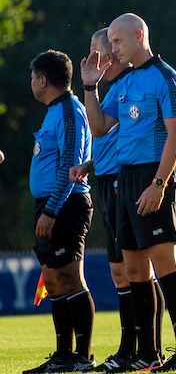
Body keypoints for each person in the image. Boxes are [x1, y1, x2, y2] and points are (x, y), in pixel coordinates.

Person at [81, 14, 176, 372]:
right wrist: (90, 87)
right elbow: (99, 128)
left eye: (116, 41)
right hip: (126, 179)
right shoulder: (124, 81)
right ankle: (149, 353)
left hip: (154, 176)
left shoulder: (165, 76)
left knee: (164, 264)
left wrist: (159, 184)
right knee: (134, 269)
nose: (111, 49)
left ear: (139, 35)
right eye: (110, 42)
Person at [69, 28, 160, 373]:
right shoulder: (108, 92)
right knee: (121, 272)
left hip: (125, 183)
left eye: (97, 50)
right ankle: (131, 348)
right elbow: (104, 136)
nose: (92, 57)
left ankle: (146, 348)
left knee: (139, 270)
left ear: (111, 55)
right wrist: (91, 164)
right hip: (106, 181)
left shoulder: (132, 87)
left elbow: (129, 140)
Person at [25, 51, 95, 374]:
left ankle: (83, 357)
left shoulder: (69, 110)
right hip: (49, 206)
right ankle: (63, 356)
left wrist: (51, 211)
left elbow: (70, 162)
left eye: (32, 77)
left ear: (43, 80)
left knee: (70, 277)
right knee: (53, 281)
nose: (31, 84)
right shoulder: (53, 111)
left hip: (65, 206)